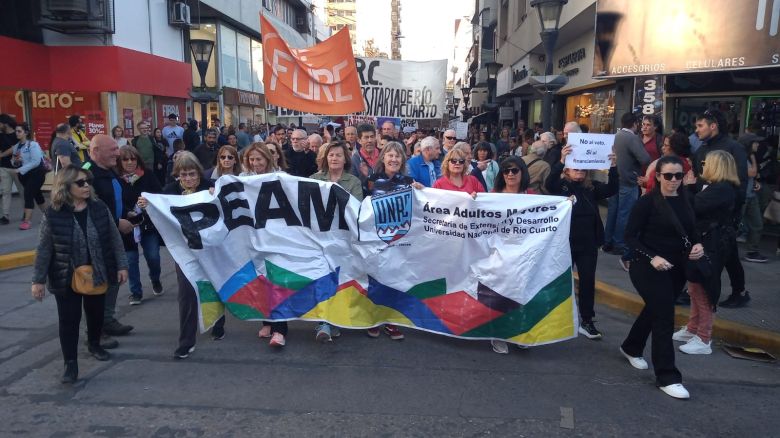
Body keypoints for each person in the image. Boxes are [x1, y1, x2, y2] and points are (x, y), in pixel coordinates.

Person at [31, 165, 129, 383]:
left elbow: (114, 238)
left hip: (97, 272)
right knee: (69, 320)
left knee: (95, 315)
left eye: (88, 182)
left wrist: (122, 266)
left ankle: (94, 344)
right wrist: (37, 280)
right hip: (65, 275)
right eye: (80, 183)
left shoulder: (98, 207)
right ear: (66, 186)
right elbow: (44, 249)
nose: (86, 186)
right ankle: (70, 364)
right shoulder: (53, 214)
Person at [620, 155, 703, 400]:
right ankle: (667, 376)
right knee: (664, 315)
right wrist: (652, 256)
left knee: (656, 309)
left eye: (678, 175)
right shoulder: (647, 203)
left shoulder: (688, 200)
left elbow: (693, 230)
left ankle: (631, 346)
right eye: (668, 175)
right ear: (658, 177)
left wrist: (698, 245)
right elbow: (630, 237)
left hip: (677, 267)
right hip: (646, 266)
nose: (674, 180)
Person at [547, 145, 618, 339]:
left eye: (582, 169)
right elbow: (549, 183)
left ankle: (586, 321)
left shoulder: (592, 187)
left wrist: (613, 166)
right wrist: (561, 160)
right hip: (565, 242)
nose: (579, 172)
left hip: (588, 243)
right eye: (575, 168)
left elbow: (612, 188)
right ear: (567, 170)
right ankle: (552, 318)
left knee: (587, 282)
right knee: (560, 281)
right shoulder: (561, 186)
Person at [673, 150, 740, 355]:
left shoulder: (722, 189)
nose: (702, 166)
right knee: (694, 286)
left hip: (713, 243)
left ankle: (704, 337)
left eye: (705, 162)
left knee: (704, 288)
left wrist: (688, 188)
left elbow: (694, 206)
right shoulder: (716, 187)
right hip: (706, 240)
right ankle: (693, 328)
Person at [691, 109, 750, 308]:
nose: (696, 130)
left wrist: (734, 213)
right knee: (722, 254)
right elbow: (697, 178)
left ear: (713, 125)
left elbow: (740, 182)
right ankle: (699, 290)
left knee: (725, 254)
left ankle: (736, 292)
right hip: (703, 210)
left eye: (700, 125)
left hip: (724, 213)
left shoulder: (734, 147)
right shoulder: (701, 149)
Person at [309, 141, 364, 342]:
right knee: (322, 276)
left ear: (345, 159)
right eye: (331, 155)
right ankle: (323, 321)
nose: (334, 158)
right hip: (320, 238)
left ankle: (335, 319)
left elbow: (356, 209)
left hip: (343, 238)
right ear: (325, 158)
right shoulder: (314, 179)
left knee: (340, 278)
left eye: (338, 155)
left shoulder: (353, 182)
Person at [83, 134, 135, 342]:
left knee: (113, 280)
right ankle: (95, 331)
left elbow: (113, 199)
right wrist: (117, 222)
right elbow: (84, 211)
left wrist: (127, 212)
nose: (118, 153)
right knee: (97, 286)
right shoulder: (85, 174)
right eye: (112, 149)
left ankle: (108, 320)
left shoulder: (109, 170)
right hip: (95, 242)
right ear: (96, 151)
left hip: (113, 237)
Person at [488, 156, 533, 354]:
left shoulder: (531, 196)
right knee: (500, 294)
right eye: (506, 171)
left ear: (522, 172)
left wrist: (564, 204)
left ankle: (520, 332)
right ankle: (498, 334)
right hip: (499, 254)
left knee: (522, 293)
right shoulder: (493, 195)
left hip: (524, 254)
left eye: (515, 170)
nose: (510, 174)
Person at [115, 146, 163, 305]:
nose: (129, 162)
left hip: (147, 224)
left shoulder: (147, 175)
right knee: (131, 260)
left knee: (153, 257)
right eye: (125, 159)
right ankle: (136, 292)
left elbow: (159, 195)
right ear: (119, 162)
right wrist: (126, 213)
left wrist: (148, 203)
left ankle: (155, 279)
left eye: (133, 159)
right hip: (126, 225)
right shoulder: (116, 178)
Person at [604, 113, 651, 269]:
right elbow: (645, 159)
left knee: (613, 211)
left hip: (616, 178)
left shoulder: (616, 135)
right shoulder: (631, 138)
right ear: (635, 123)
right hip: (628, 180)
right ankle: (619, 243)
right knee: (625, 213)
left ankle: (608, 240)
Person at [11, 123, 47, 230]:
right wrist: (16, 162)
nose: (17, 133)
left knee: (28, 194)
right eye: (16, 131)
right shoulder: (17, 146)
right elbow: (13, 161)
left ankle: (27, 221)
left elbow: (36, 162)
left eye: (19, 131)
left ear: (25, 133)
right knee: (37, 195)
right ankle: (50, 216)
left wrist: (20, 169)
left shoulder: (33, 145)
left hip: (37, 173)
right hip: (24, 176)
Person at [350, 124, 380, 195]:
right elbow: (354, 187)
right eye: (366, 137)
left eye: (372, 137)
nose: (370, 140)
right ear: (359, 140)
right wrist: (364, 177)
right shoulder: (354, 160)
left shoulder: (384, 155)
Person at [0, 114, 19, 224]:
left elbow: (15, 149)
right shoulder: (0, 135)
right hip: (4, 167)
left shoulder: (17, 133)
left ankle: (26, 212)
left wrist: (2, 155)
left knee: (22, 191)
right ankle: (5, 215)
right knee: (5, 191)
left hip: (18, 168)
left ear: (5, 123)